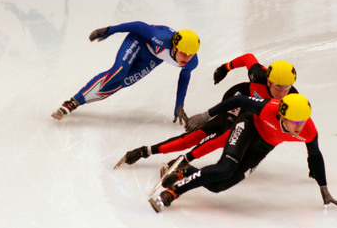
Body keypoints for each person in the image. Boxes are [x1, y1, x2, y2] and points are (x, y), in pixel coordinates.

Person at [149, 93, 337, 213]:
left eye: (303, 121)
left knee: (219, 186)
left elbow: (315, 156)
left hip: (263, 146)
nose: (300, 127)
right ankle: (172, 193)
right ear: (282, 116)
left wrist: (324, 189)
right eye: (295, 122)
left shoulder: (309, 130)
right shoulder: (268, 108)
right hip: (248, 126)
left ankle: (187, 172)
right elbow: (239, 100)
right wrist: (206, 115)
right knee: (225, 168)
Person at [114, 54, 299, 170]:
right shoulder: (258, 74)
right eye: (278, 87)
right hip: (237, 98)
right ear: (268, 81)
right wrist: (224, 68)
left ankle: (181, 158)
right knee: (214, 134)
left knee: (226, 137)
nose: (283, 92)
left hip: (251, 113)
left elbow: (301, 128)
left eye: (287, 88)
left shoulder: (292, 100)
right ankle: (148, 151)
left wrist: (312, 158)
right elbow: (248, 58)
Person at [51, 21, 200, 124]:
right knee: (119, 71)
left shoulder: (192, 62)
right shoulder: (159, 36)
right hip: (138, 41)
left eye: (191, 54)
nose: (187, 58)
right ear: (174, 47)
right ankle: (73, 102)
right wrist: (109, 30)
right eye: (183, 53)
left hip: (152, 58)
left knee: (122, 82)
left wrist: (179, 105)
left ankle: (79, 102)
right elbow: (137, 26)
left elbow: (184, 77)